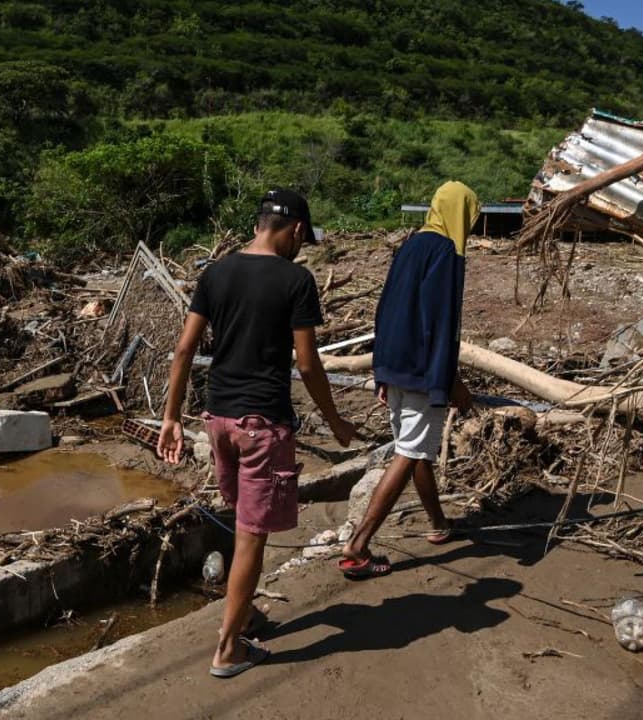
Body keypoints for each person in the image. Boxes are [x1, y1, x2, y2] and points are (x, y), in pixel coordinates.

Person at [157, 188, 356, 677]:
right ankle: (229, 649)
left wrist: (171, 417)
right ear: (297, 231)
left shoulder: (216, 272)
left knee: (240, 520)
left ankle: (243, 612)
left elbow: (183, 351)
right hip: (262, 425)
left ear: (258, 223)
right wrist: (335, 422)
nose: (302, 247)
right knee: (251, 537)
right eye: (303, 239)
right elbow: (308, 365)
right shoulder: (296, 279)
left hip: (218, 420)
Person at [338, 181, 480, 579]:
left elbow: (386, 308)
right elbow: (441, 323)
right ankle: (358, 544)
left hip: (396, 363)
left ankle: (438, 523)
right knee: (411, 452)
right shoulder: (446, 253)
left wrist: (381, 369)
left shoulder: (411, 246)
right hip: (421, 368)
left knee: (413, 447)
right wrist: (447, 381)